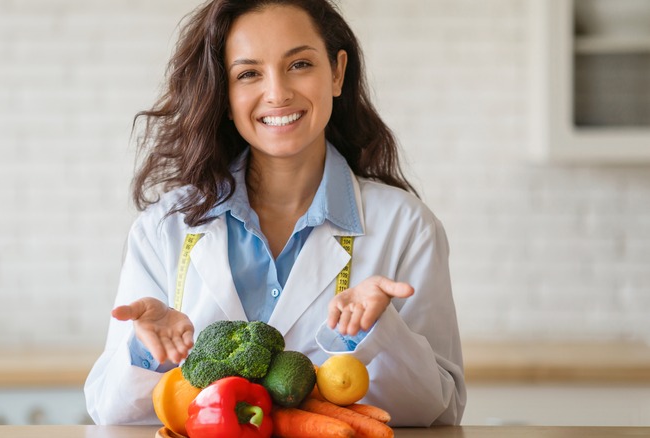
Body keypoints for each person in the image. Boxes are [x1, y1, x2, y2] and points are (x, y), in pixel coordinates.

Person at [85, 0, 466, 427]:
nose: (278, 93)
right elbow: (109, 412)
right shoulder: (163, 229)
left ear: (337, 72)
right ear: (224, 95)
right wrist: (149, 354)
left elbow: (440, 412)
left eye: (299, 64)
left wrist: (376, 331)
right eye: (248, 73)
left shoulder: (407, 227)